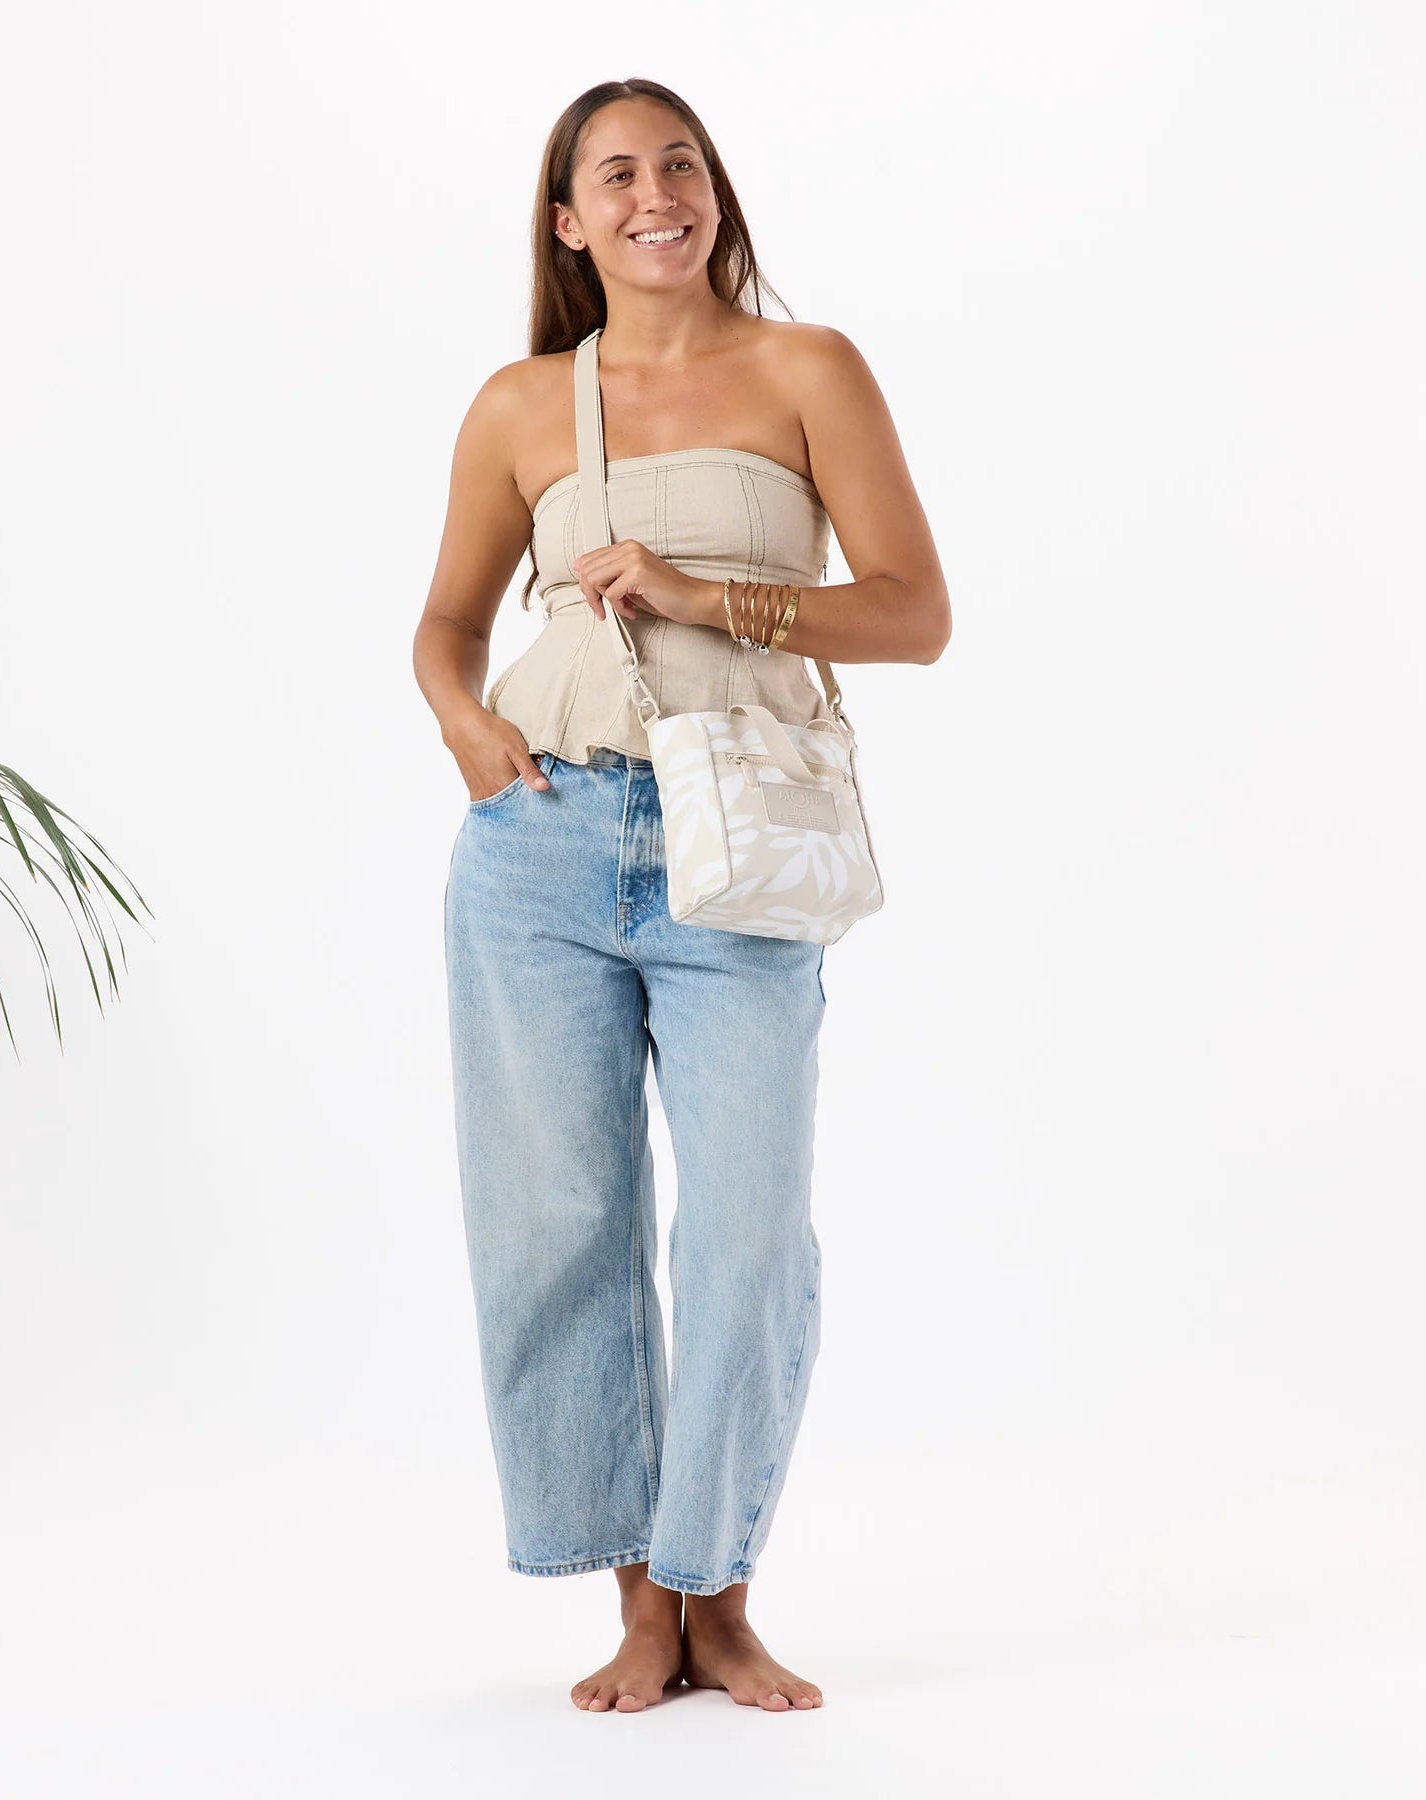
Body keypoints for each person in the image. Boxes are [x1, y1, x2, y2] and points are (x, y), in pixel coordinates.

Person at [413, 77, 949, 1713]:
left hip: (744, 850)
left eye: (681, 163)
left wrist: (716, 596)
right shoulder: (519, 402)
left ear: (713, 192)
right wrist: (470, 731)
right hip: (544, 842)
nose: (657, 193)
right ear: (567, 221)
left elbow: (917, 614)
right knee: (558, 1231)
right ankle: (643, 1604)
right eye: (615, 175)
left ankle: (721, 1585)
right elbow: (441, 625)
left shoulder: (809, 369)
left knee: (743, 1233)